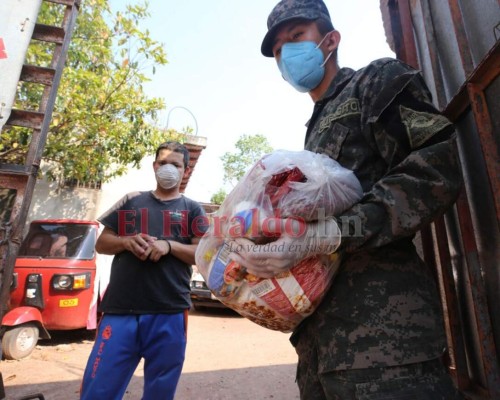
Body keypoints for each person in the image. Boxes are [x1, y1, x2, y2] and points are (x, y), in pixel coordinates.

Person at [228, 0, 464, 399]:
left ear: (330, 40)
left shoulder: (376, 81)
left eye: (296, 36)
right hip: (320, 349)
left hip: (386, 341)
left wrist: (331, 234)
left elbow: (435, 168)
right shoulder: (314, 128)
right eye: (279, 49)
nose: (287, 53)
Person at [80, 141, 207, 400]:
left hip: (169, 311)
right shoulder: (131, 201)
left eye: (176, 164)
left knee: (159, 392)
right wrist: (126, 241)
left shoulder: (192, 209)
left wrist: (169, 246)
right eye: (163, 163)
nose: (168, 169)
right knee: (98, 389)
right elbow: (102, 243)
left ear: (185, 171)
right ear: (154, 166)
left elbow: (204, 254)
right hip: (120, 310)